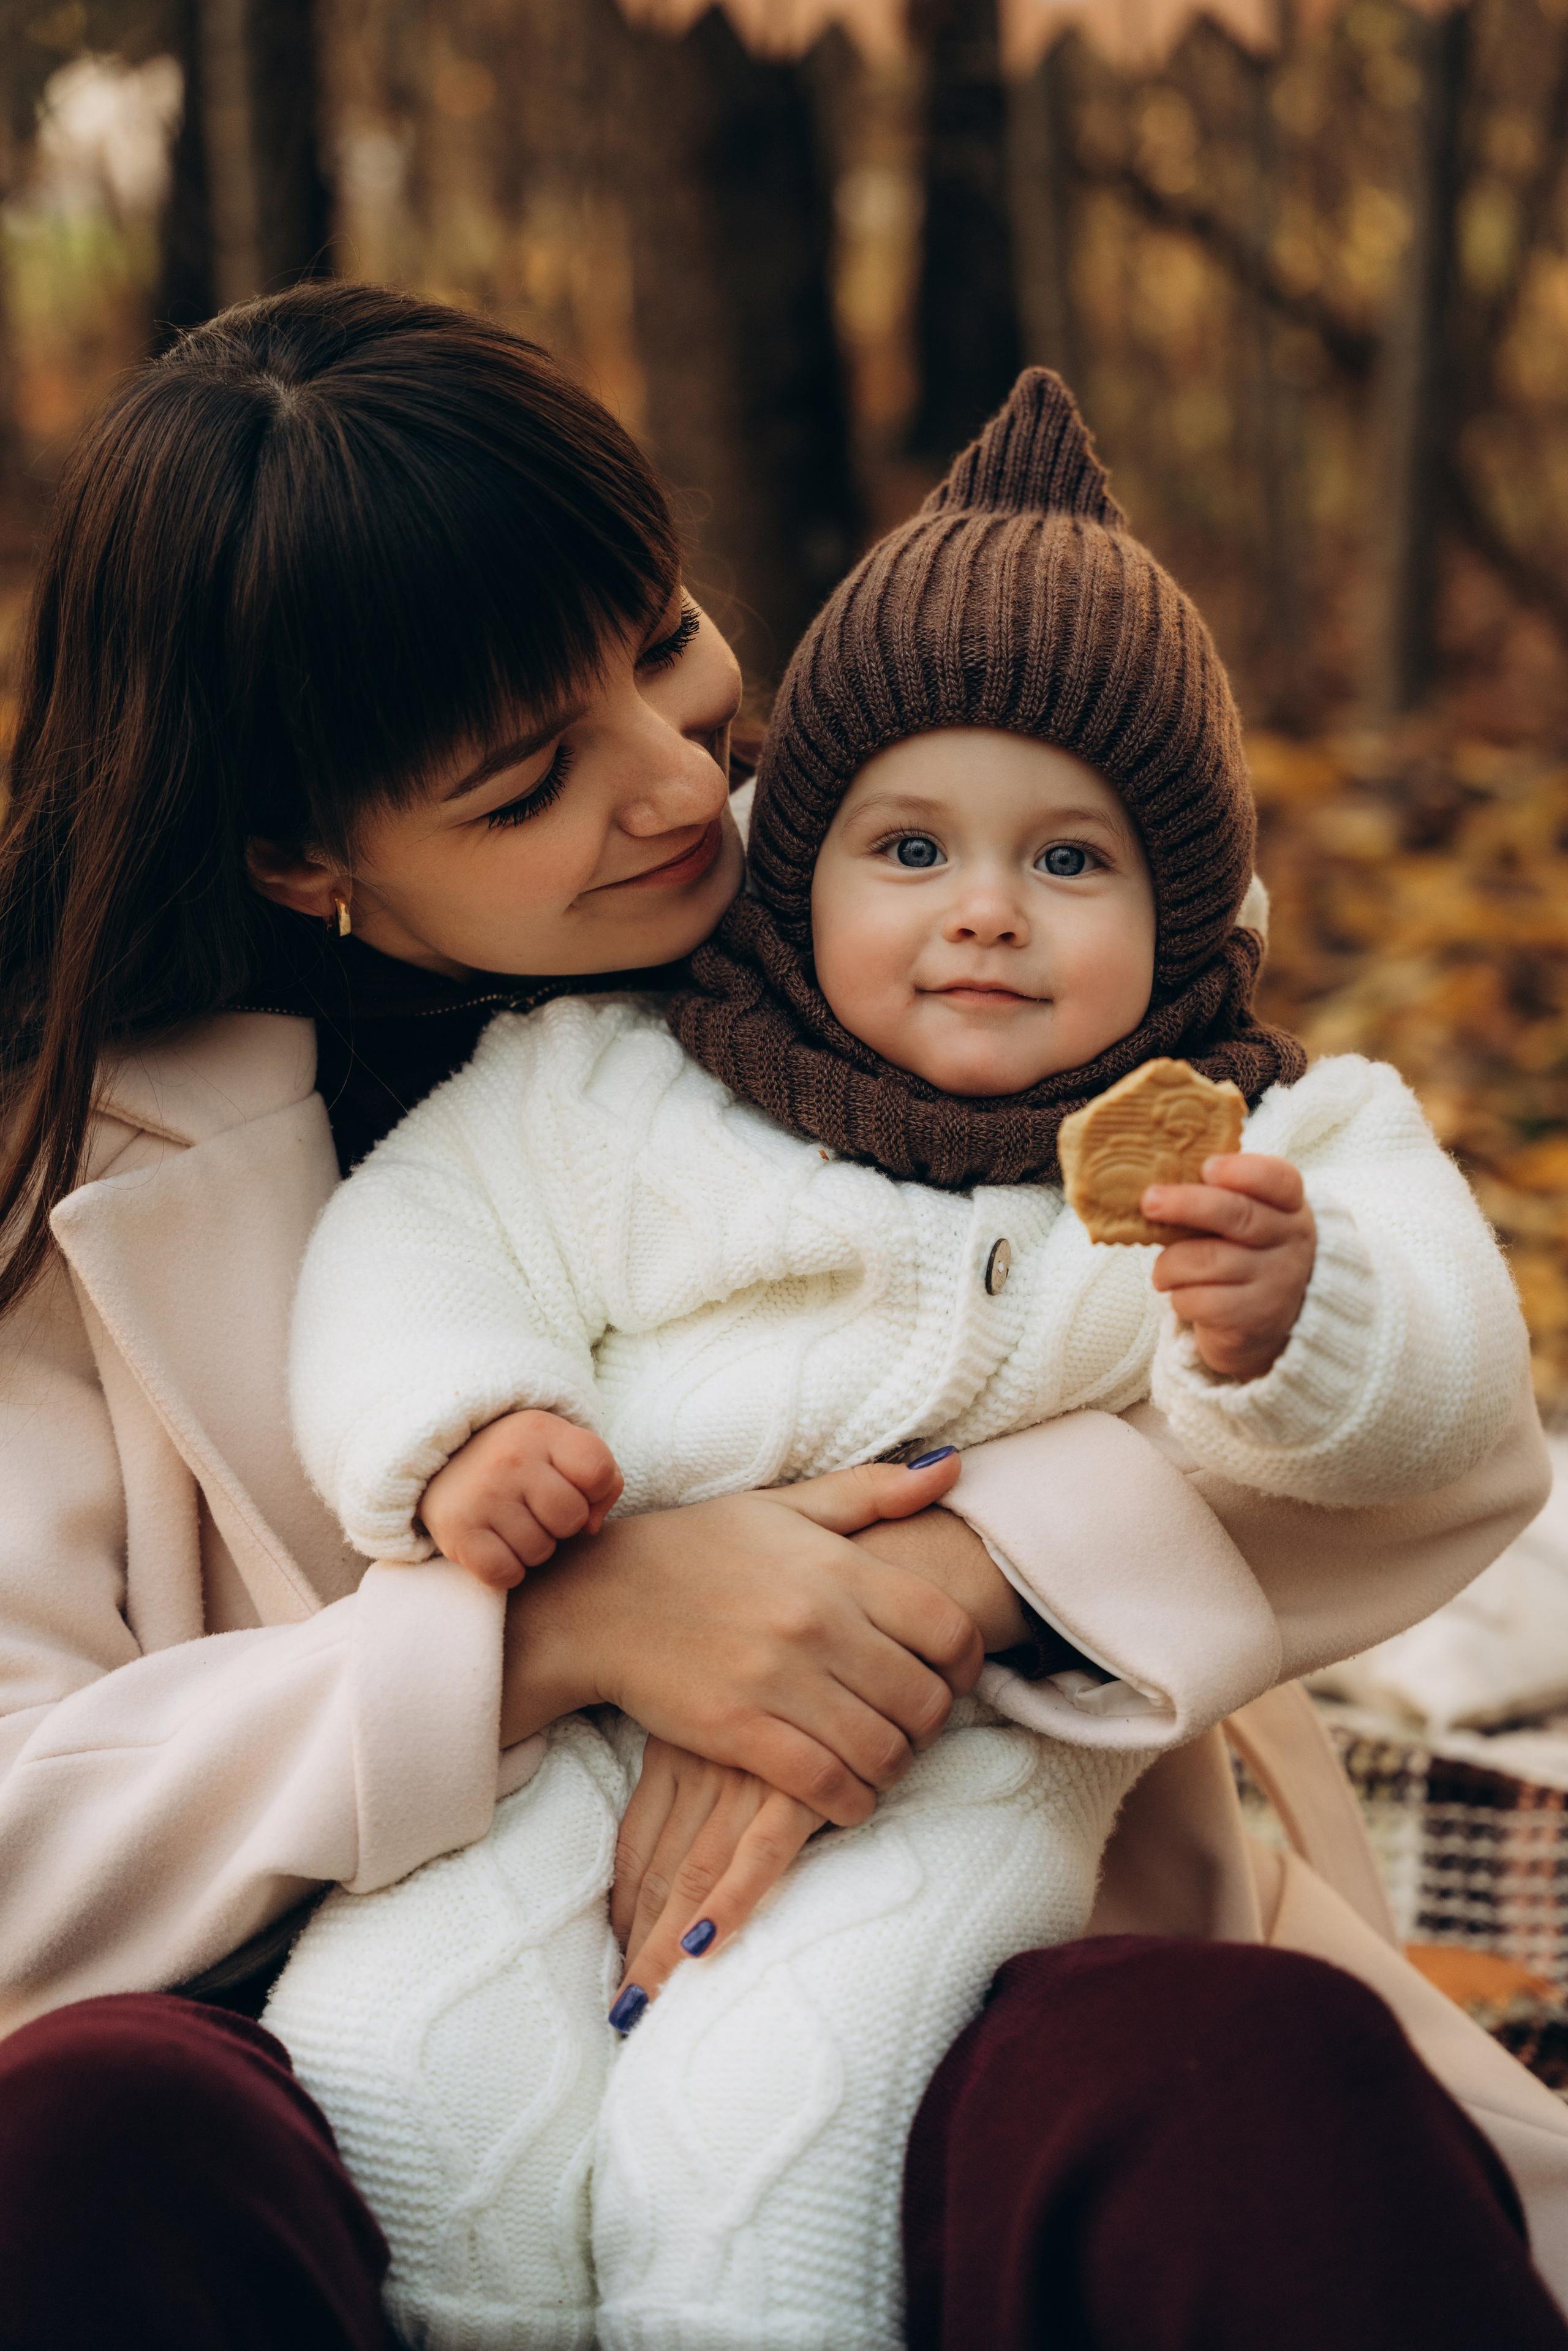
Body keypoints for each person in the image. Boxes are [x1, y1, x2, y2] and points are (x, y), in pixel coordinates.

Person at [0, 284, 1561, 2351]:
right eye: (528, 776)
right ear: (306, 857)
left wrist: (965, 1565)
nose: (678, 783)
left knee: (1254, 2104)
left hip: (965, 1928)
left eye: (661, 637)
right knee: (69, 2151)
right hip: (332, 2031)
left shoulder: (927, 881)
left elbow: (1407, 1429)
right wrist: (541, 1640)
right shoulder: (69, 1170)